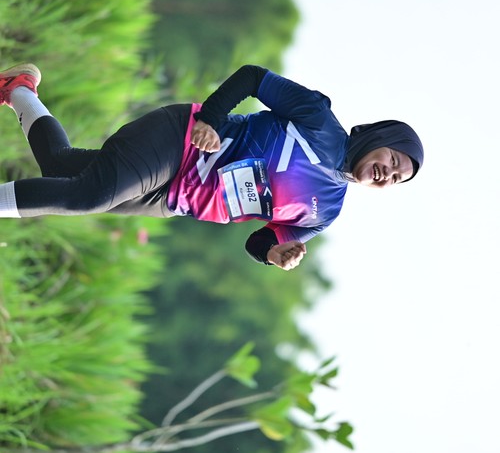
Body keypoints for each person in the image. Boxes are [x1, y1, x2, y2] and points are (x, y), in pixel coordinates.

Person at [0, 63, 424, 270]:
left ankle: (19, 88)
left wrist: (272, 253)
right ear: (378, 138)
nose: (388, 173)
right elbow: (253, 77)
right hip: (179, 141)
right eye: (393, 159)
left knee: (62, 167)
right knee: (87, 196)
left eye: (397, 178)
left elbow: (259, 240)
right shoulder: (319, 120)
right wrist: (212, 120)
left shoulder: (325, 212)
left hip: (171, 199)